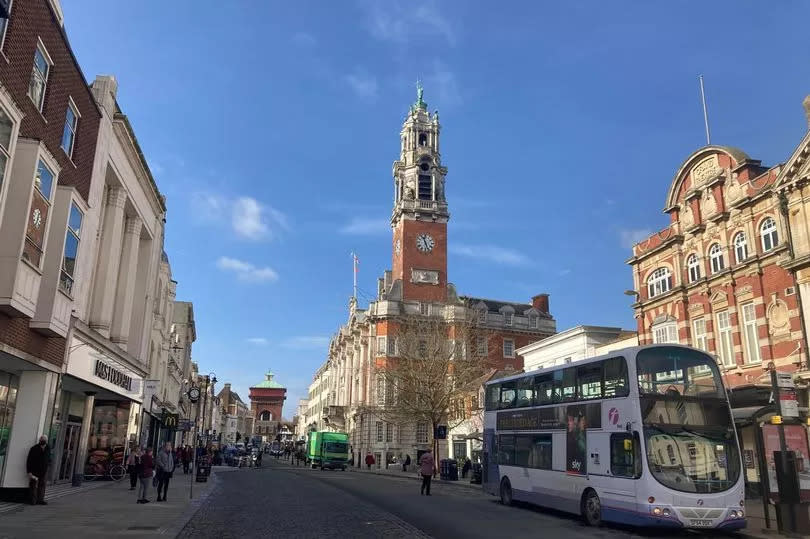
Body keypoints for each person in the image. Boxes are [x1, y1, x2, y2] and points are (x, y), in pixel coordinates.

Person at [26, 435, 50, 505]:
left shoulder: (48, 448)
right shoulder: (34, 448)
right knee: (33, 485)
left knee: (42, 485)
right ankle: (33, 500)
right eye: (42, 439)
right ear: (39, 440)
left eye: (44, 439)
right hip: (34, 470)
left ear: (46, 441)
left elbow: (48, 459)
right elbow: (29, 460)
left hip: (44, 471)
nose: (42, 440)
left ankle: (40, 500)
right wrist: (29, 471)